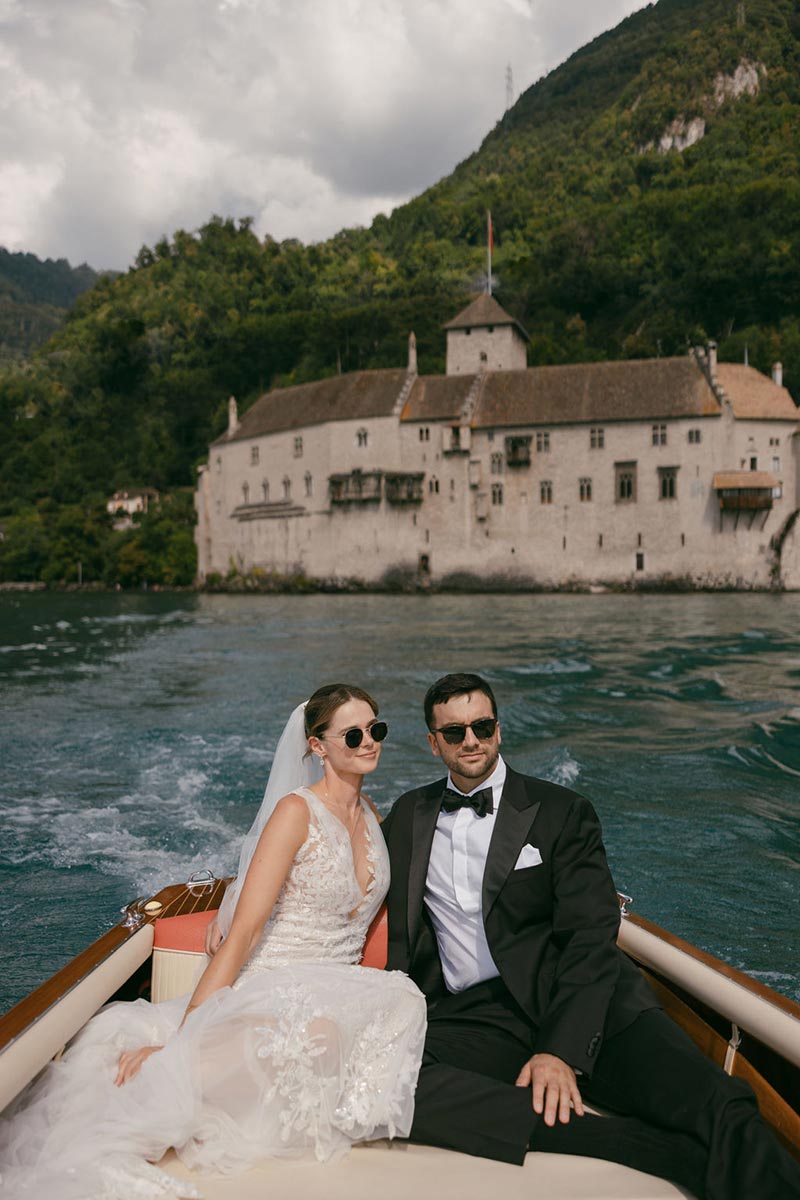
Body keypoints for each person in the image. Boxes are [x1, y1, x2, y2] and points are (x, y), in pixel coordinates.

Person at [381, 672, 800, 1200]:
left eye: (482, 726)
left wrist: (560, 1049)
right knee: (384, 1085)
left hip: (585, 1000)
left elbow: (589, 936)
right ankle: (631, 1144)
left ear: (499, 730)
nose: (471, 741)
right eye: (456, 731)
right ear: (433, 742)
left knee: (716, 1102)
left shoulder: (562, 812)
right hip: (478, 1016)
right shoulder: (406, 817)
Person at [0, 684, 426, 1199]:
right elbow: (246, 930)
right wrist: (181, 1038)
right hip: (274, 982)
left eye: (375, 730)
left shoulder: (373, 815)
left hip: (339, 983)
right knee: (254, 1055)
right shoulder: (296, 812)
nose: (368, 742)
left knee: (400, 1000)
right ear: (318, 746)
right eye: (353, 734)